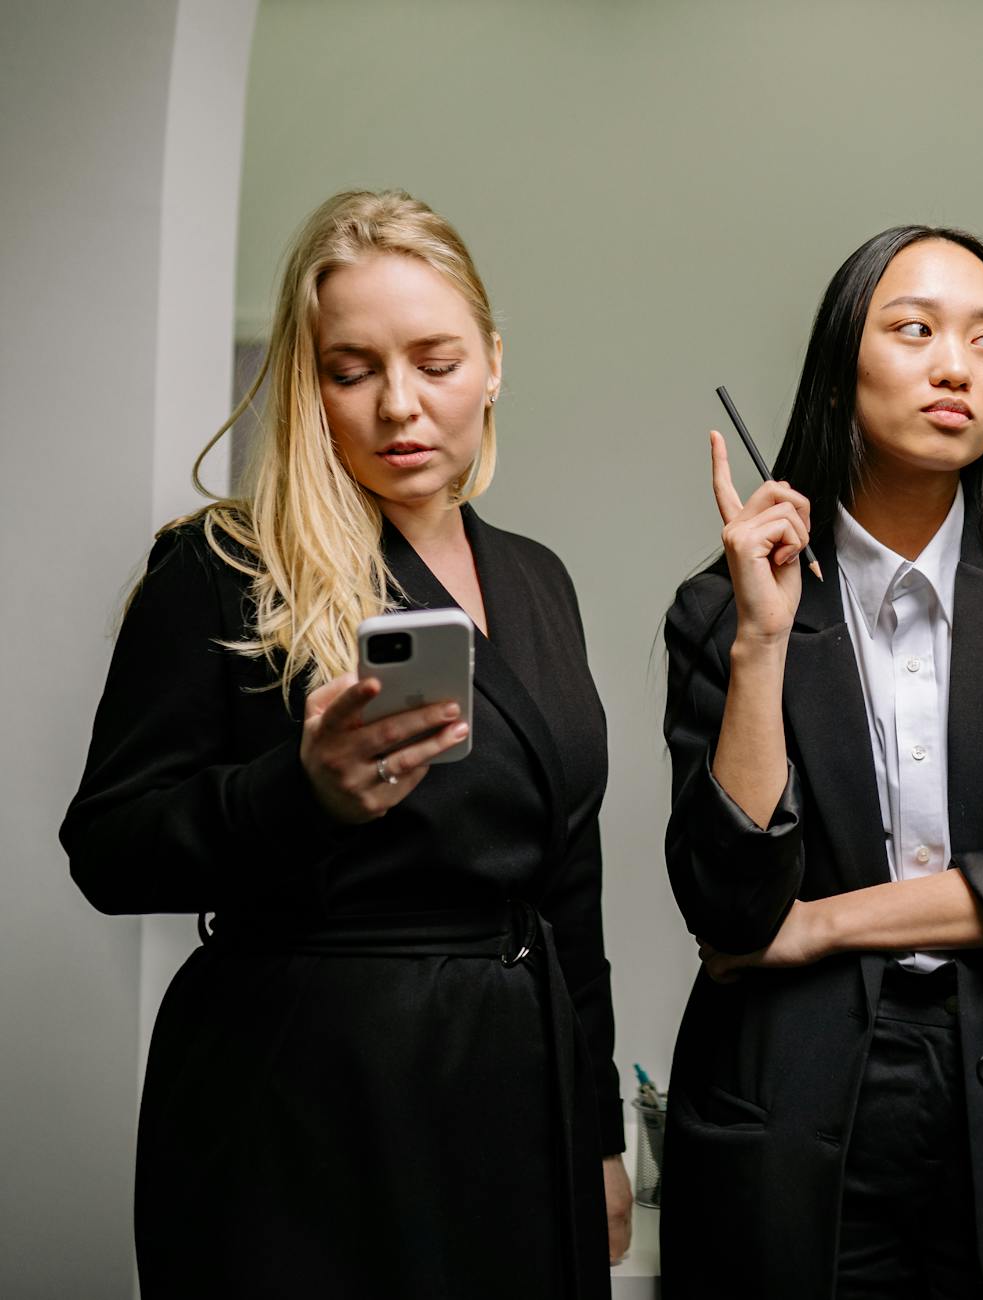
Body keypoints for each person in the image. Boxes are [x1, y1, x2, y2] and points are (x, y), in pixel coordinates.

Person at [63, 190, 628, 1299]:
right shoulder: (224, 566)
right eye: (351, 368)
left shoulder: (535, 580)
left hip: (515, 1090)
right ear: (306, 382)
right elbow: (108, 846)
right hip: (301, 1097)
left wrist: (598, 1128)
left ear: (494, 364)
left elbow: (571, 879)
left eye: (436, 360)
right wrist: (297, 791)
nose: (400, 407)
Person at [660, 226, 983, 1298]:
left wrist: (821, 923)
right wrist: (761, 642)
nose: (957, 365)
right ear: (837, 368)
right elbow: (730, 902)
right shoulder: (725, 610)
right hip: (807, 1108)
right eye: (914, 331)